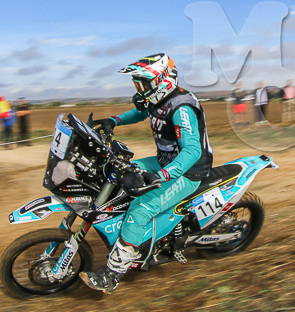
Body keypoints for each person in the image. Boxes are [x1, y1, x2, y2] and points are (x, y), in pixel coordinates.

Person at [80, 53, 213, 294]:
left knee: (140, 209)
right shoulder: (157, 99)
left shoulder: (181, 108)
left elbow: (192, 151)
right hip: (165, 161)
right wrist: (114, 121)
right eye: (137, 84)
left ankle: (112, 276)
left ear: (162, 80)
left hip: (188, 171)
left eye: (143, 84)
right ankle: (137, 237)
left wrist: (163, 175)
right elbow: (142, 112)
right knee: (118, 173)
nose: (140, 90)